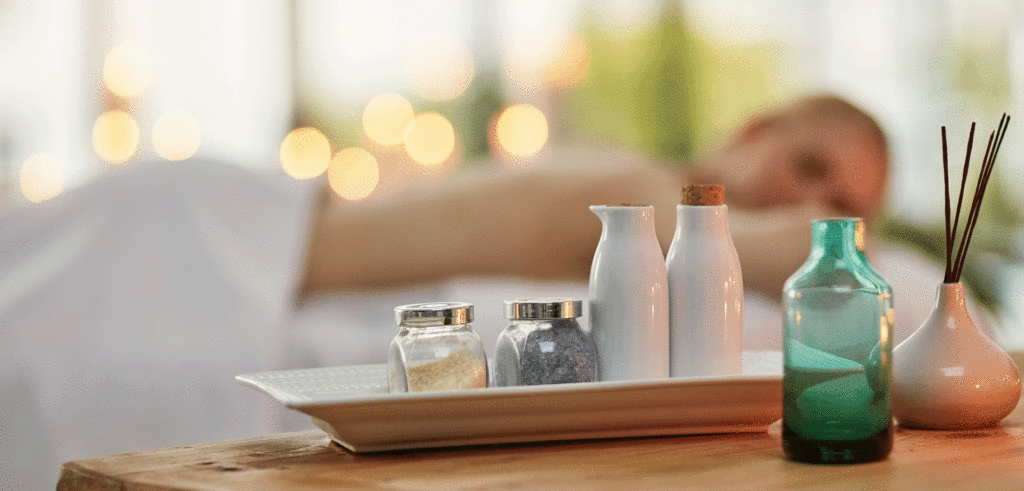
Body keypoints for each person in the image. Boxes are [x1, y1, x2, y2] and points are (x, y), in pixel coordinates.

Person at [0, 94, 930, 489]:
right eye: (806, 166)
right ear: (755, 127)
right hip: (190, 232)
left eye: (843, 204)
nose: (809, 206)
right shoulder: (632, 189)